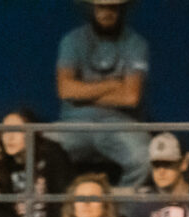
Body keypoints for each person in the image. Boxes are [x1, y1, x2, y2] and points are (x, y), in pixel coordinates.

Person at [52, 0, 151, 187]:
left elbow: (131, 98)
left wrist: (83, 93)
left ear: (122, 9)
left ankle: (120, 212)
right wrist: (114, 84)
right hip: (74, 125)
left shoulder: (136, 43)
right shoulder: (72, 40)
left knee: (145, 159)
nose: (107, 12)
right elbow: (66, 90)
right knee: (38, 151)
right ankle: (64, 210)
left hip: (120, 124)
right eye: (101, 7)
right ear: (92, 8)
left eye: (112, 7)